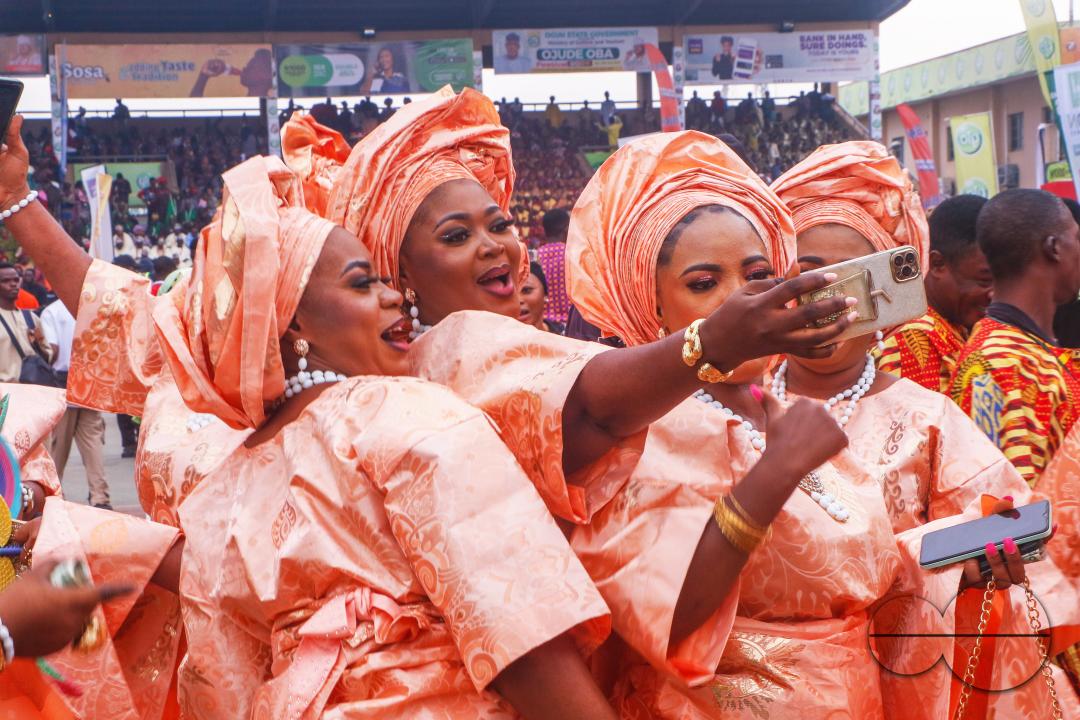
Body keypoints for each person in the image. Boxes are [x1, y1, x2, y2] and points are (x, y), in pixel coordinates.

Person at [562, 131, 1044, 718]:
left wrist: (957, 559)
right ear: (650, 302)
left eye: (758, 273)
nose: (742, 301)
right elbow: (662, 613)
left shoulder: (801, 413)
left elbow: (989, 530)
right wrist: (780, 468)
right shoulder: (642, 432)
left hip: (864, 694)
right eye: (703, 283)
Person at [287, 87, 854, 525]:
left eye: (500, 224)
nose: (493, 245)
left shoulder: (458, 355)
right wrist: (714, 344)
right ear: (403, 271)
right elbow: (592, 412)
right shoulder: (454, 349)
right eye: (456, 237)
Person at [772, 140, 1080, 719]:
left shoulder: (928, 418)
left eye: (852, 280)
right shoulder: (733, 408)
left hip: (903, 679)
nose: (826, 302)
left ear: (885, 294)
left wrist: (967, 563)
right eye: (807, 276)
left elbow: (1015, 520)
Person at [950, 189, 1080, 485]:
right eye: (1078, 238)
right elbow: (1010, 513)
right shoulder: (999, 365)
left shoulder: (1028, 349)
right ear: (1055, 247)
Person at [877, 194, 991, 393]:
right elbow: (916, 423)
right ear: (938, 264)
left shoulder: (952, 324)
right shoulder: (914, 336)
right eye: (984, 281)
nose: (994, 294)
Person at [40, 299, 110, 509]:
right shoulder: (93, 309)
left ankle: (53, 496)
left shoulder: (51, 312)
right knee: (93, 445)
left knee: (57, 448)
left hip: (63, 385)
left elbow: (52, 351)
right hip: (90, 382)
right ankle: (100, 498)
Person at [0, 263, 52, 383]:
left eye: (16, 280)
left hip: (32, 390)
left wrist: (37, 344)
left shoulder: (30, 317)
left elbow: (48, 355)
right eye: (5, 281)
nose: (13, 284)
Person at [535, 208, 571, 326]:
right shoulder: (573, 255)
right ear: (567, 230)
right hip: (570, 325)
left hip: (545, 326)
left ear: (544, 231)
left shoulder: (535, 257)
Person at [519, 262, 564, 334]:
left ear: (545, 294)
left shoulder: (568, 336)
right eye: (512, 294)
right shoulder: (497, 342)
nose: (518, 300)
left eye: (526, 290)